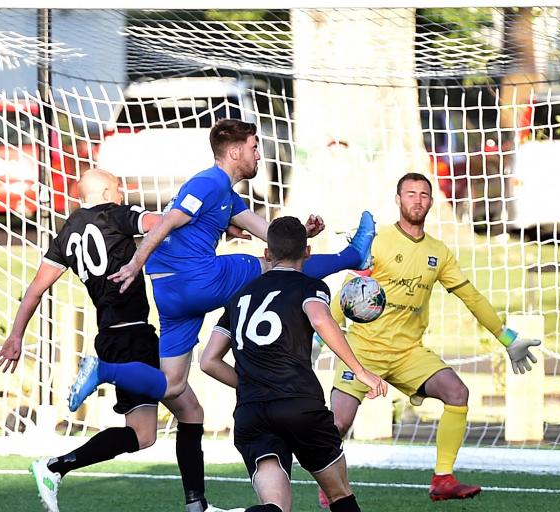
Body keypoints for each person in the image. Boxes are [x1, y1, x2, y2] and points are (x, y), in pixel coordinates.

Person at [66, 119, 376, 506]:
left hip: (172, 295)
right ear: (234, 152)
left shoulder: (227, 194)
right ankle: (354, 255)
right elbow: (167, 222)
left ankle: (104, 371)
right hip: (193, 278)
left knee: (174, 384)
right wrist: (134, 263)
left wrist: (302, 236)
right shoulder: (208, 182)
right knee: (275, 271)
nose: (258, 153)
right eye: (253, 147)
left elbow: (269, 235)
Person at [0, 169, 241, 512]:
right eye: (120, 189)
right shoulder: (116, 214)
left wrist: (16, 336)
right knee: (147, 431)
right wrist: (216, 219)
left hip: (111, 334)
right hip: (132, 335)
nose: (123, 195)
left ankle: (197, 505)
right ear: (109, 190)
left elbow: (36, 288)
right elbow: (167, 221)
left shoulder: (67, 232)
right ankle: (55, 466)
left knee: (186, 413)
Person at [320, 172, 542, 505]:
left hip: (409, 354)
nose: (418, 200)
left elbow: (470, 295)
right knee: (337, 423)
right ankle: (330, 483)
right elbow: (348, 295)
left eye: (424, 194)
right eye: (410, 194)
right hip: (363, 351)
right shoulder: (377, 242)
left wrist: (507, 337)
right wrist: (318, 339)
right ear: (398, 200)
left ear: (431, 202)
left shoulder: (438, 252)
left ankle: (443, 479)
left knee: (457, 392)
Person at [200, 216, 388, 512]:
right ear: (308, 253)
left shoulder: (238, 297)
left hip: (252, 412)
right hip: (299, 404)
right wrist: (361, 372)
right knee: (340, 495)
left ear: (266, 254)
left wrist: (251, 382)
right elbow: (319, 318)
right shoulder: (311, 287)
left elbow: (208, 361)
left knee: (276, 507)